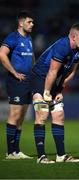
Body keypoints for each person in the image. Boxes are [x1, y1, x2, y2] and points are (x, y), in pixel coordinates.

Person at [31, 23, 79, 163]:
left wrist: (59, 90)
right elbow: (52, 71)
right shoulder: (63, 46)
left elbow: (71, 72)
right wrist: (46, 92)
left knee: (59, 114)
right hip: (39, 79)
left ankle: (61, 156)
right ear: (73, 37)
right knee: (42, 113)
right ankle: (41, 157)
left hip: (52, 82)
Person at [0, 10, 34, 159]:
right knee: (14, 115)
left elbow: (32, 57)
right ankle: (10, 151)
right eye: (29, 22)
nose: (32, 24)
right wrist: (14, 72)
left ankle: (17, 150)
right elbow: (1, 54)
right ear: (21, 23)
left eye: (32, 22)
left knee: (21, 117)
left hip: (27, 81)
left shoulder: (29, 38)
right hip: (16, 81)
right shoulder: (13, 37)